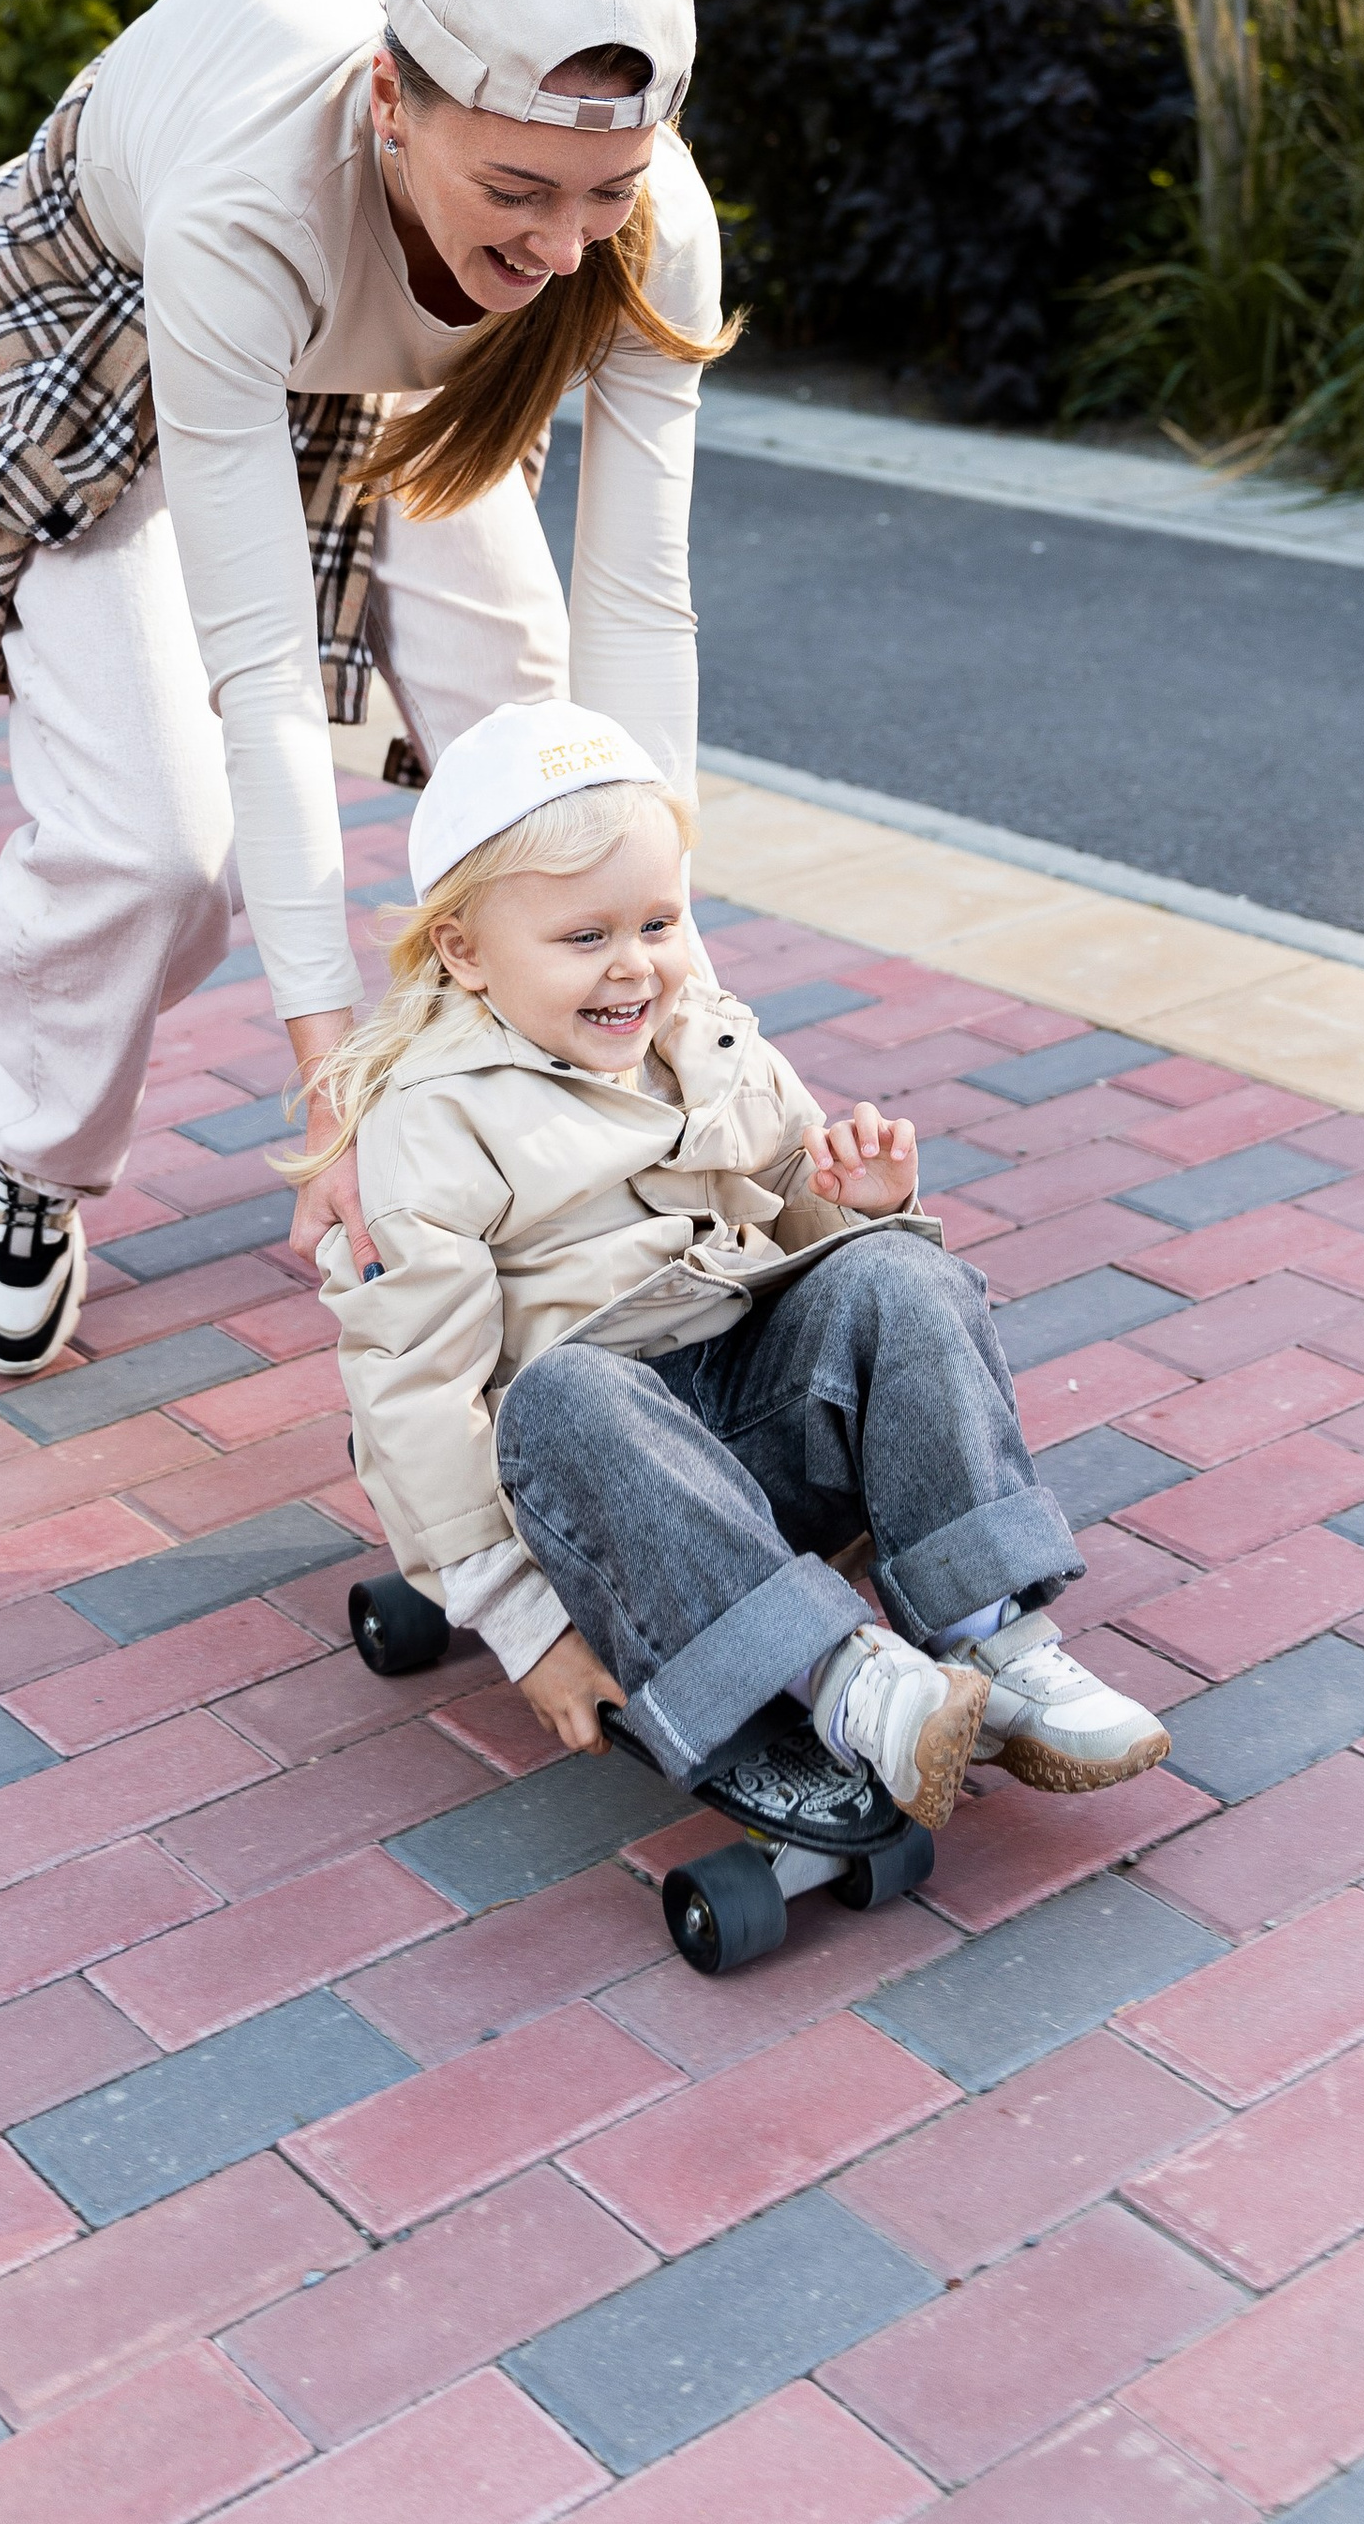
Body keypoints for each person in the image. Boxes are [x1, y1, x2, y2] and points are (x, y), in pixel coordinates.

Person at [0, 0, 731, 1377]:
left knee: (534, 753)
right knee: (153, 841)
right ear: (394, 100)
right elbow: (259, 681)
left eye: (605, 191)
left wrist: (682, 995)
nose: (565, 247)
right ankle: (30, 1158)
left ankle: (498, 1144)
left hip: (371, 325)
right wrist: (320, 1087)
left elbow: (637, 614)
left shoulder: (631, 225)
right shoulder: (253, 191)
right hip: (112, 306)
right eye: (519, 189)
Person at [311, 699, 1172, 1823]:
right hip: (608, 1501)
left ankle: (985, 1635)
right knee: (568, 1390)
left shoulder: (708, 1044)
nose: (634, 970)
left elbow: (805, 1246)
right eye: (585, 939)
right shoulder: (431, 1122)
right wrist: (530, 1634)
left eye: (658, 925)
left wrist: (853, 1204)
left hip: (753, 1442)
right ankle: (839, 1681)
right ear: (464, 952)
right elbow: (415, 1396)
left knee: (901, 1272)